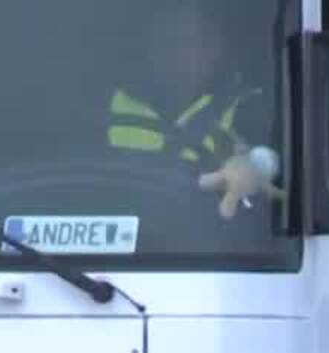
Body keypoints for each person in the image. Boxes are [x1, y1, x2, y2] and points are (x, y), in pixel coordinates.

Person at [106, 6, 283, 219]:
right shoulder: (108, 107)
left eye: (195, 42)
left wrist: (250, 176)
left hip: (213, 244)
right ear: (149, 48)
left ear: (217, 47)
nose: (183, 55)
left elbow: (286, 197)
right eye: (170, 41)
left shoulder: (251, 110)